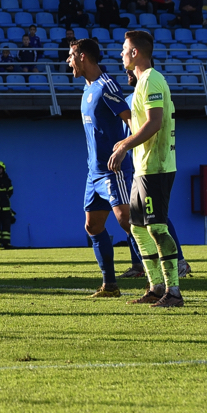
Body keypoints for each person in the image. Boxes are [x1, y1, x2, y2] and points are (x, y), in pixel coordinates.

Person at [107, 30, 183, 308]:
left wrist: (125, 145)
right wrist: (128, 142)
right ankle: (155, 287)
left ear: (135, 52)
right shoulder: (141, 83)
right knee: (137, 228)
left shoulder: (151, 80)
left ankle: (173, 292)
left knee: (158, 229)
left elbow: (154, 123)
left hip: (157, 167)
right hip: (144, 167)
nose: (121, 54)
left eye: (124, 49)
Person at [69, 37, 139, 297]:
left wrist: (125, 149)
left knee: (127, 220)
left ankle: (159, 276)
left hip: (113, 170)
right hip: (94, 173)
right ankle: (110, 285)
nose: (68, 62)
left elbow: (131, 120)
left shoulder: (106, 86)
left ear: (83, 56)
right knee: (93, 226)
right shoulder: (87, 90)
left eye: (71, 56)